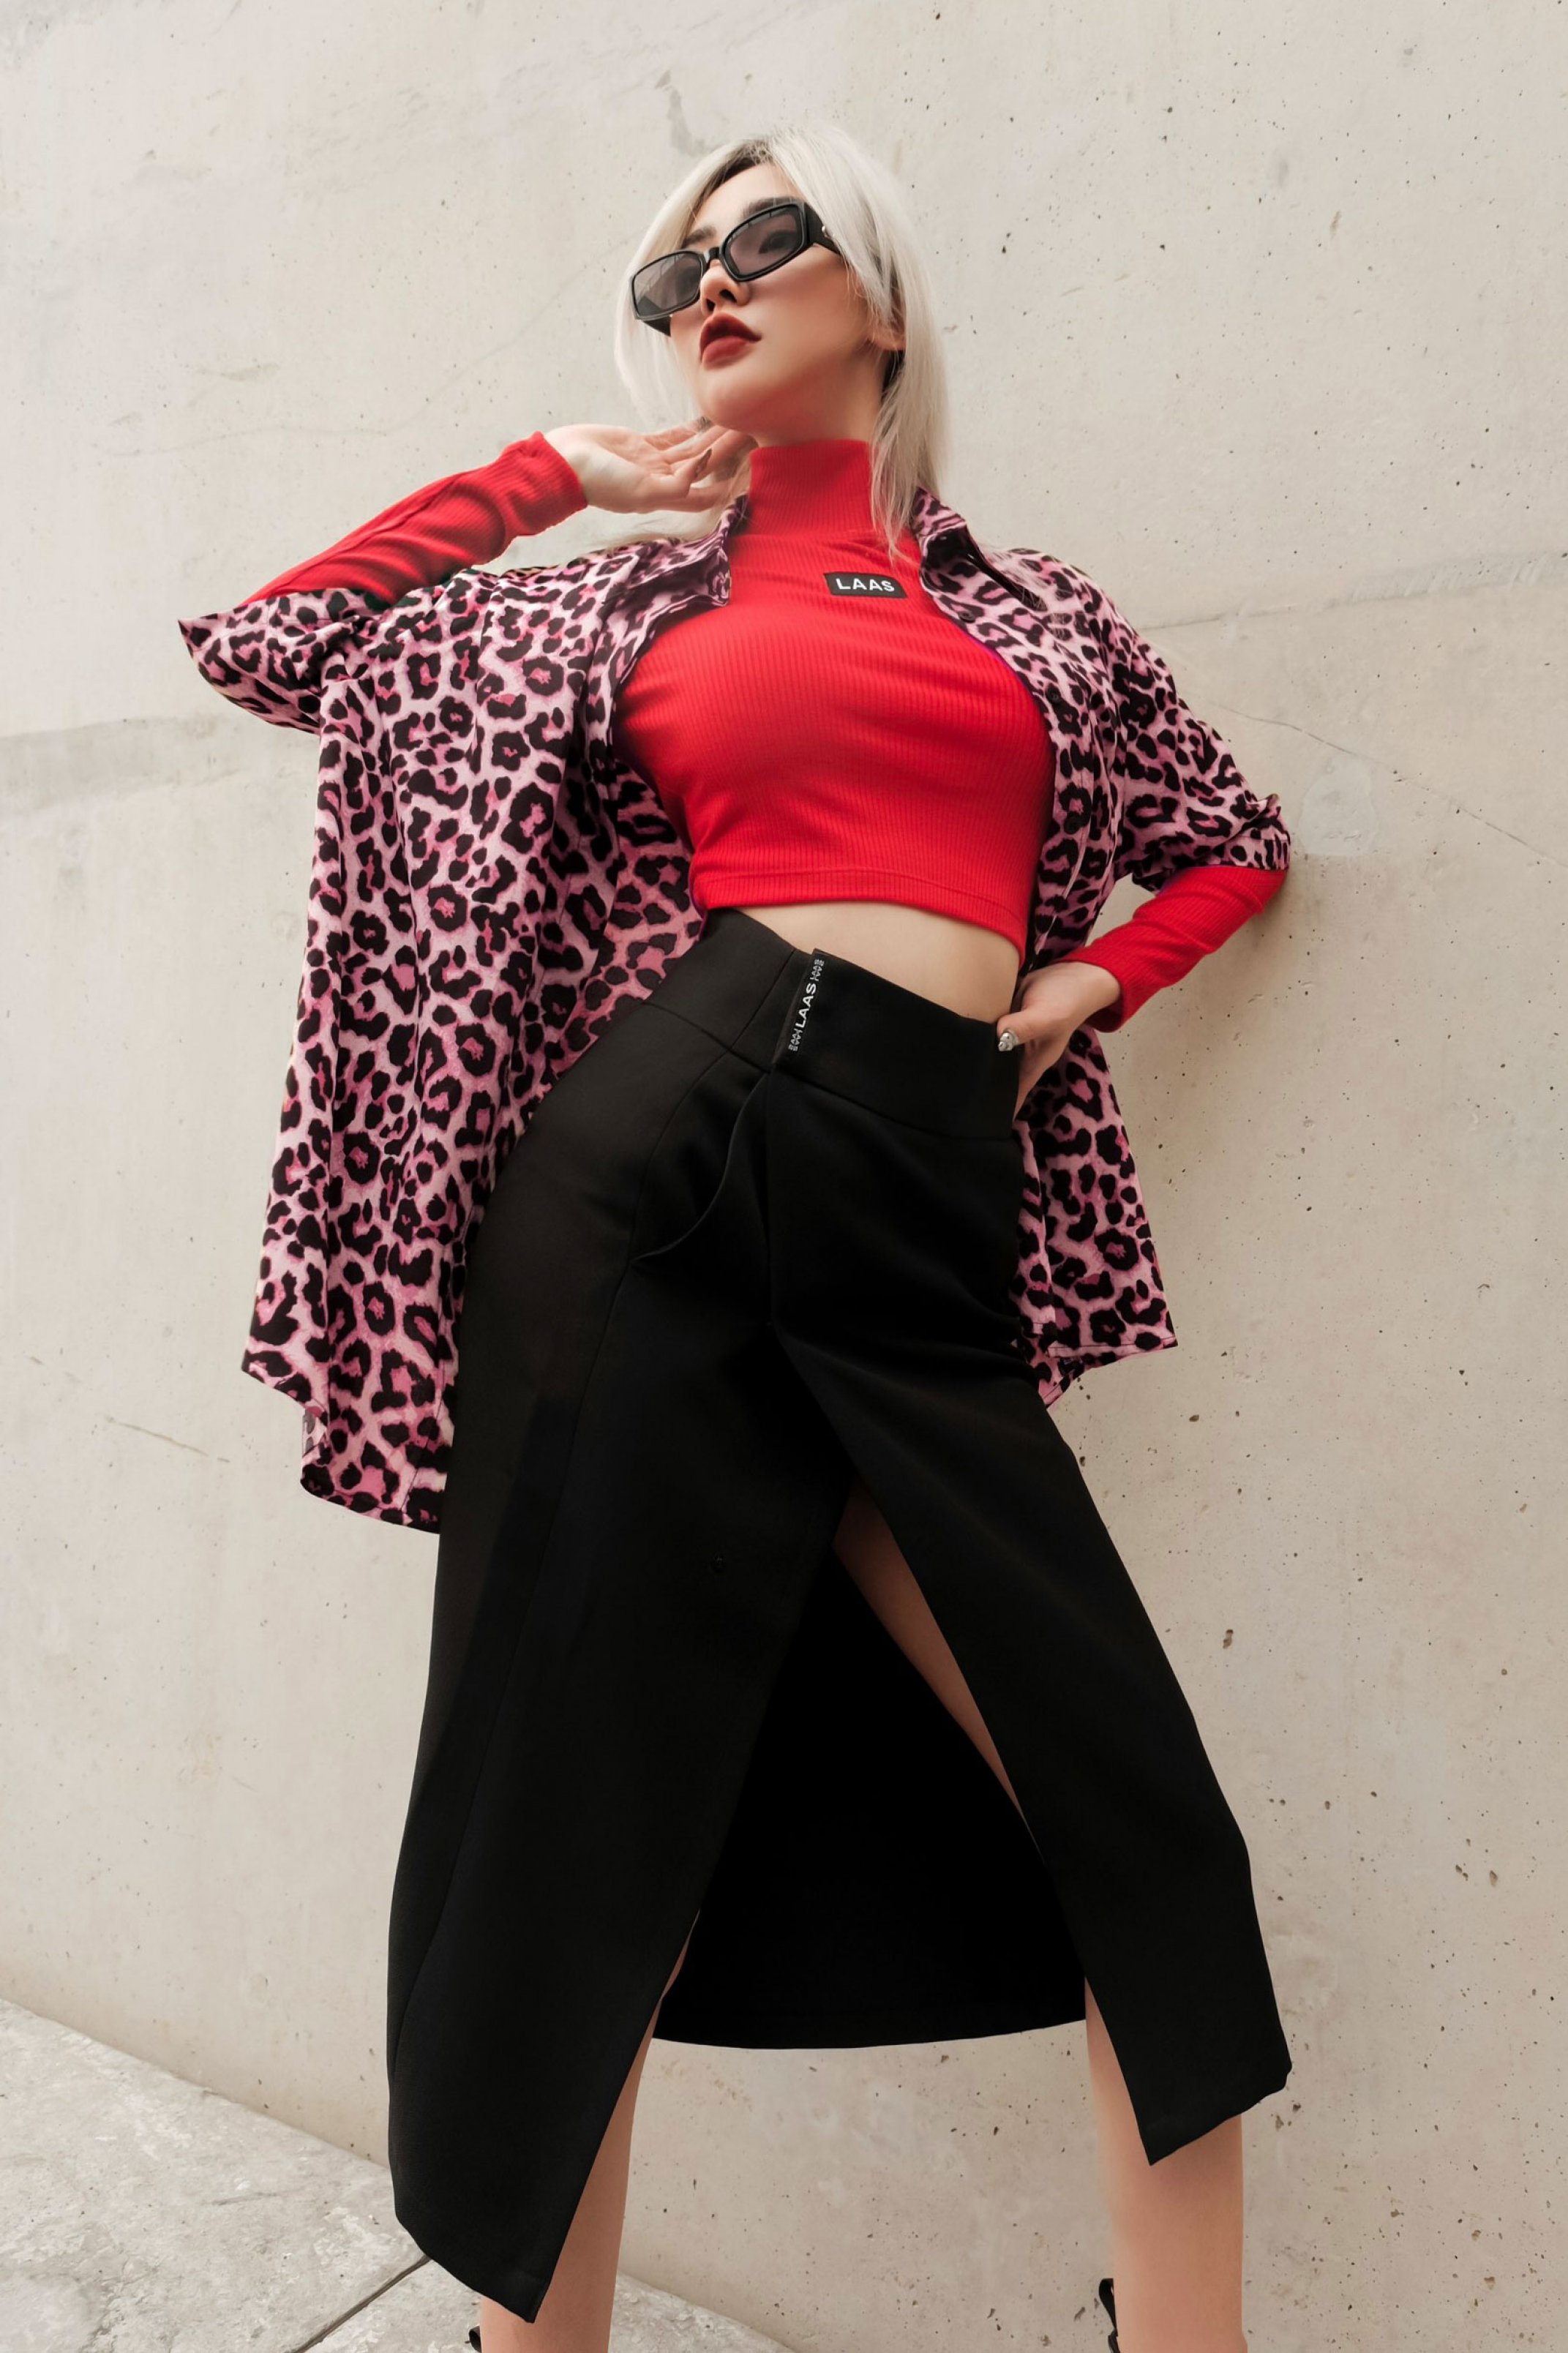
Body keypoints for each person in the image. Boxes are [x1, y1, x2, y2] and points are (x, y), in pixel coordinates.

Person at [179, 122, 1293, 2353]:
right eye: (675, 262)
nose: (711, 281)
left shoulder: (1038, 614)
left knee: (1148, 1841)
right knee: (577, 1855)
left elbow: (1232, 844)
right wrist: (555, 477)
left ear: (881, 294)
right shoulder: (624, 594)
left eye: (766, 239)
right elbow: (277, 648)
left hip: (916, 1217)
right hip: (657, 1180)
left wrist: (1075, 995)